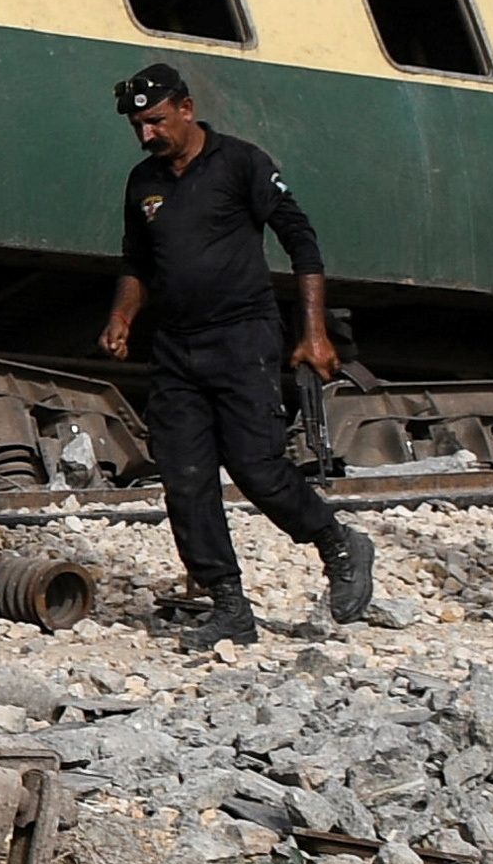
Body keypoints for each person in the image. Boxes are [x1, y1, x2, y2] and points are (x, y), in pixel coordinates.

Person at [95, 60, 377, 645]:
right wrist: (122, 316)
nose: (147, 134)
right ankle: (228, 605)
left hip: (242, 337)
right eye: (138, 127)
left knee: (258, 467)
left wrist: (314, 331)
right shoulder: (142, 182)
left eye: (156, 121)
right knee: (185, 478)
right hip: (175, 347)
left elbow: (301, 242)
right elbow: (137, 263)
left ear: (187, 109)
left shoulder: (242, 162)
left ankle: (337, 542)